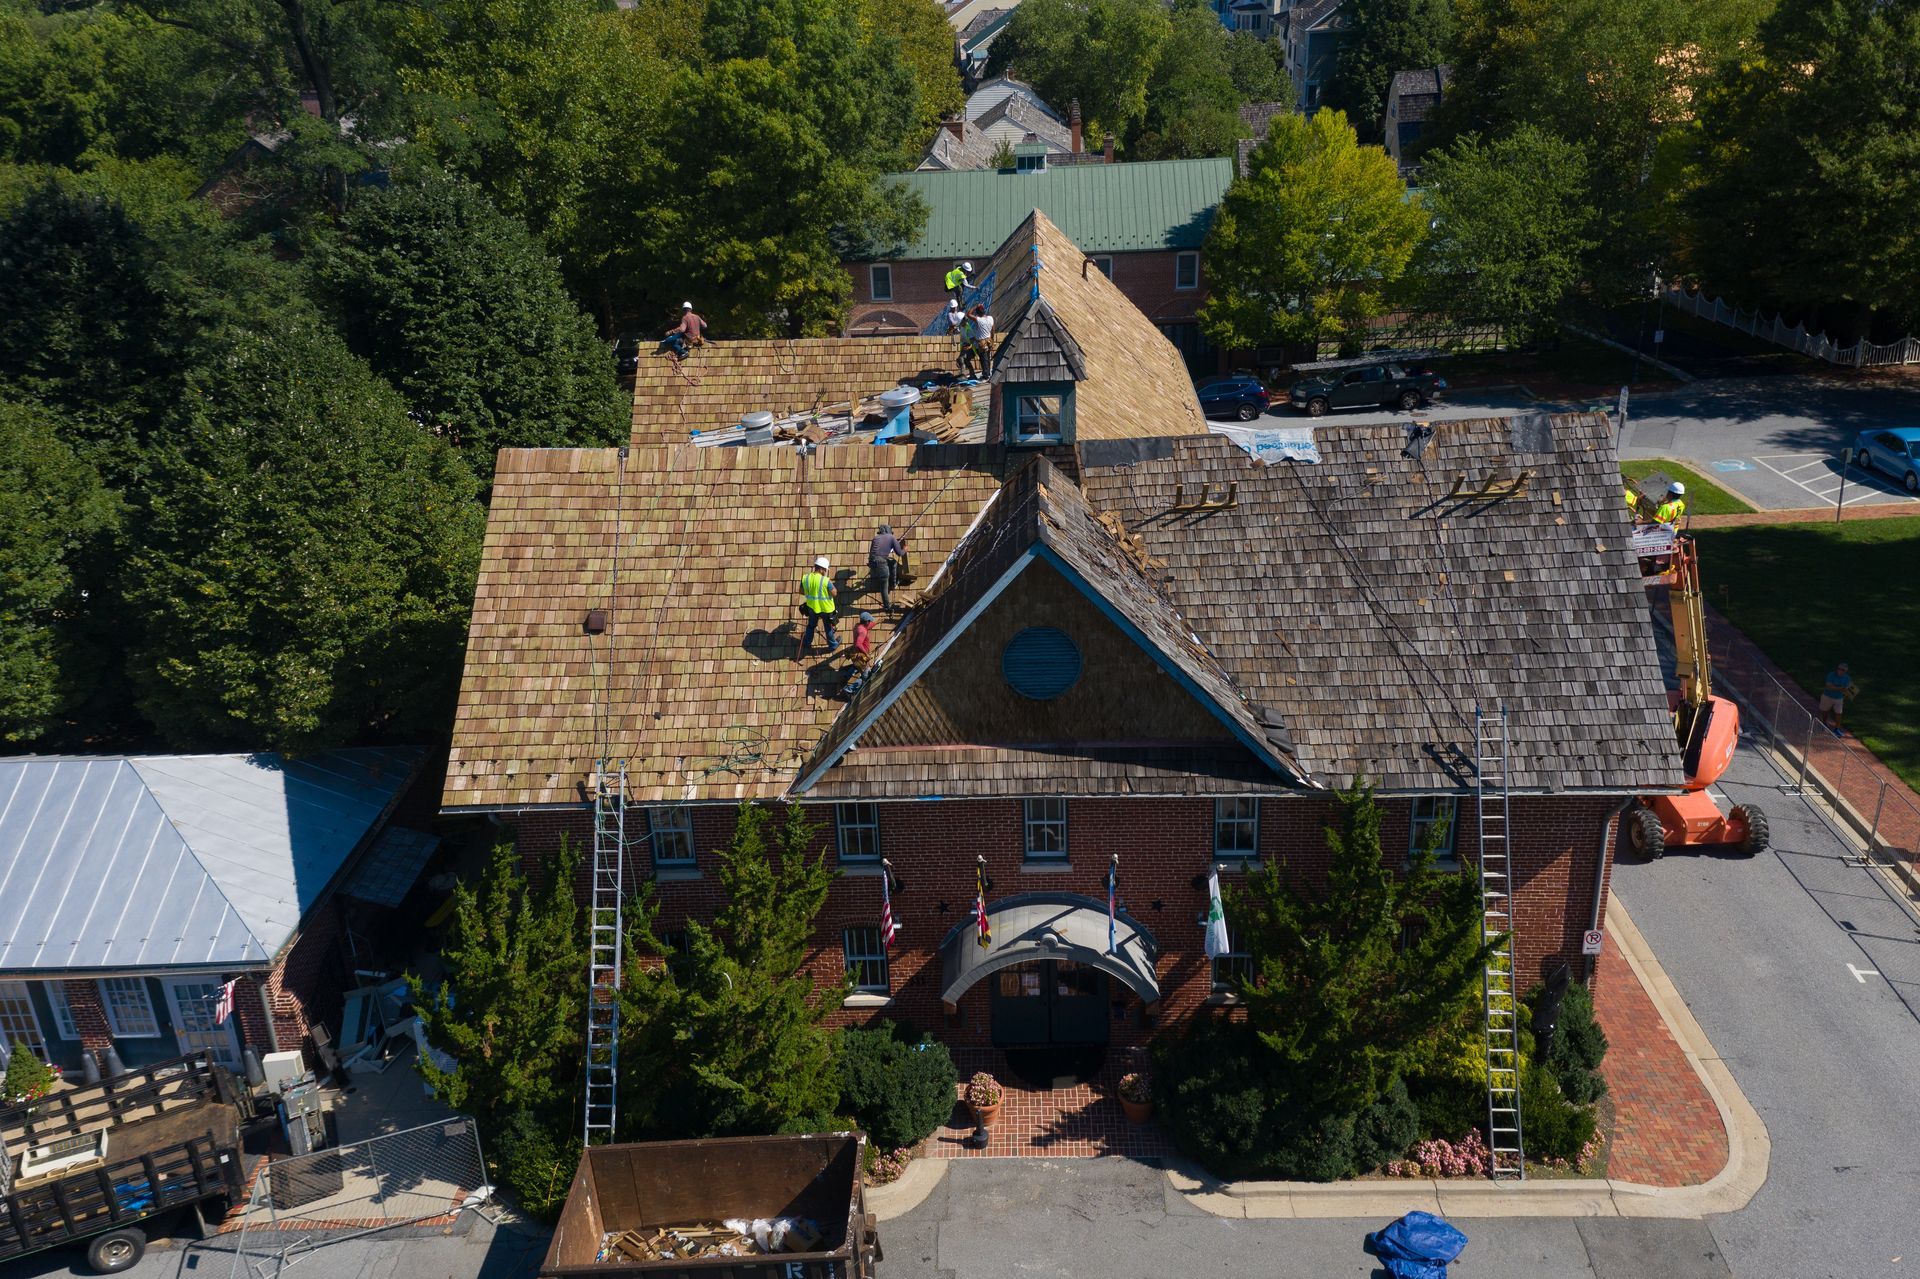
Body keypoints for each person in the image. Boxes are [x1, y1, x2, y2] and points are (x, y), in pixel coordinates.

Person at [799, 556, 839, 655]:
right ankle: (833, 645)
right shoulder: (825, 581)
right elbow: (834, 593)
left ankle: (807, 642)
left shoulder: (806, 578)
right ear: (821, 568)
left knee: (811, 626)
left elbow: (801, 591)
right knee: (828, 627)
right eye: (825, 569)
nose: (825, 571)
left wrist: (812, 593)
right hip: (826, 609)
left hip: (812, 607)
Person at [869, 523, 907, 612]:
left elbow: (874, 552)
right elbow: (900, 553)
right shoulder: (891, 537)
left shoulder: (875, 538)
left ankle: (892, 583)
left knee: (893, 563)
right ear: (889, 531)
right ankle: (887, 607)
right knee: (884, 586)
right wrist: (904, 549)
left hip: (872, 562)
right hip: (881, 563)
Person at [1819, 662, 1856, 733]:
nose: (1840, 671)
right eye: (1839, 669)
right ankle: (1824, 723)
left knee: (1839, 713)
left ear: (1845, 671)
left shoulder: (1847, 678)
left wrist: (1845, 693)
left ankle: (1836, 729)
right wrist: (1840, 689)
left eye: (1842, 670)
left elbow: (1847, 689)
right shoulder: (1831, 675)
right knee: (1825, 711)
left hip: (1839, 698)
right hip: (1827, 696)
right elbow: (1828, 686)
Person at [959, 304, 995, 376]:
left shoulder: (979, 320)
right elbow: (993, 329)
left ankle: (986, 375)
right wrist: (991, 338)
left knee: (983, 359)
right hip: (988, 341)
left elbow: (968, 314)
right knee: (987, 358)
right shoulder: (990, 318)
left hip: (981, 343)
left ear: (977, 313)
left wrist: (975, 306)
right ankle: (987, 374)